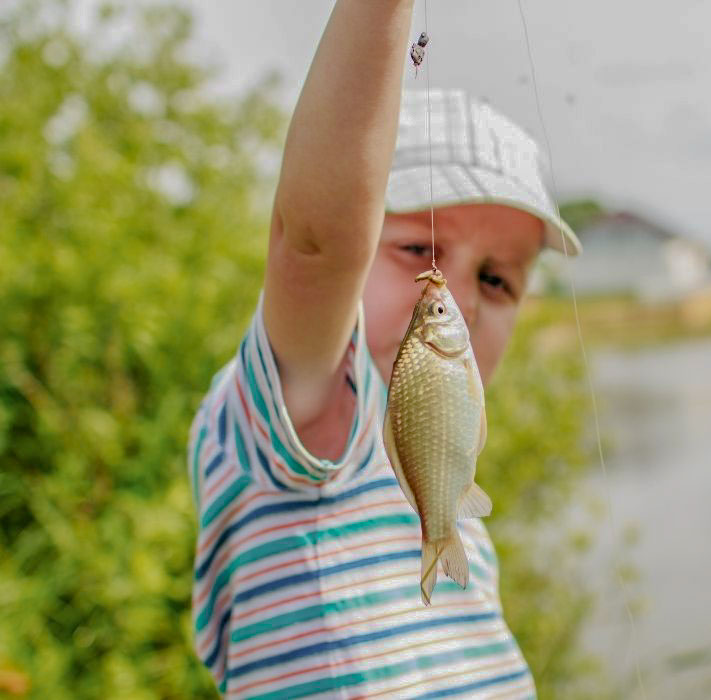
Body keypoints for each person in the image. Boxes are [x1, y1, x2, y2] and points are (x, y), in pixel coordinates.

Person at [186, 1, 581, 697]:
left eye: (496, 279)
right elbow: (317, 246)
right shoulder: (304, 412)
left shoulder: (448, 496)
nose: (456, 295)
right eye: (417, 250)